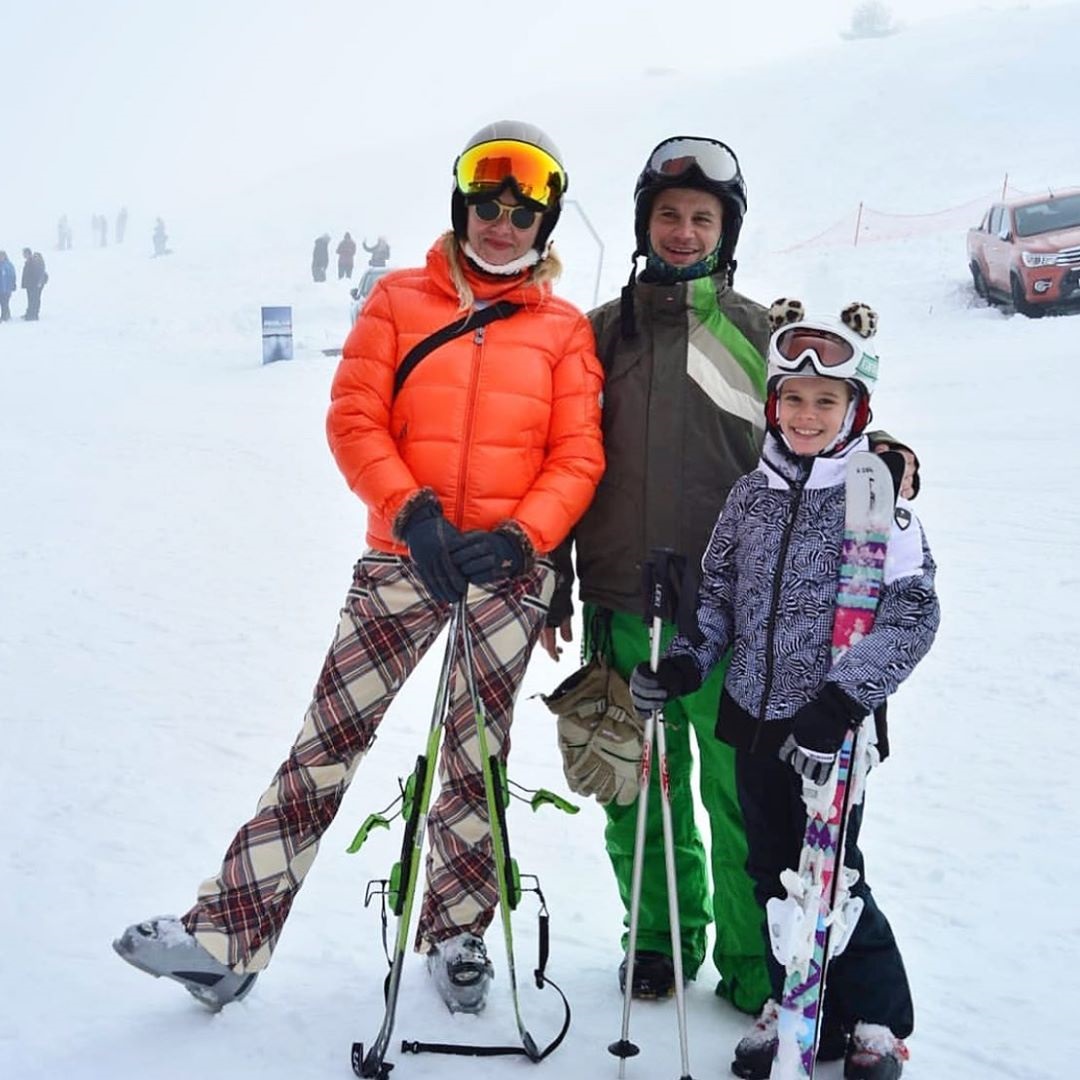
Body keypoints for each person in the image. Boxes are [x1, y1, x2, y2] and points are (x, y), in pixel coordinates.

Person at [113, 119, 605, 1016]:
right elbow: (354, 418)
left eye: (521, 215)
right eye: (487, 208)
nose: (502, 227)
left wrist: (520, 539)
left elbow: (577, 455)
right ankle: (226, 940)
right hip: (404, 557)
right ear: (461, 207)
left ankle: (456, 932)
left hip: (505, 570)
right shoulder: (398, 299)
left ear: (545, 225)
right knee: (326, 742)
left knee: (475, 755)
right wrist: (413, 513)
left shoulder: (564, 330)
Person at [543, 136, 920, 1011]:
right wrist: (556, 575)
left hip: (734, 617)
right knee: (639, 787)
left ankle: (757, 963)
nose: (683, 231)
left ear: (726, 231)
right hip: (621, 599)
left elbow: (830, 427)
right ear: (644, 223)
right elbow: (559, 457)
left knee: (741, 793)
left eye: (701, 218)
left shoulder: (758, 334)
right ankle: (658, 940)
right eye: (668, 215)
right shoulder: (595, 337)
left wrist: (889, 458)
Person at [630, 302, 938, 1080]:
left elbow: (911, 613)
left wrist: (843, 701)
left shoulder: (875, 498)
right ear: (772, 404)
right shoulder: (750, 497)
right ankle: (794, 1001)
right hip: (753, 719)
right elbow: (718, 599)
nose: (806, 415)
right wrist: (686, 664)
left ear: (855, 408)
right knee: (769, 872)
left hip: (831, 729)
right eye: (793, 399)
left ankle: (872, 1017)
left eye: (825, 401)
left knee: (836, 874)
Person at [20, 248, 47, 321]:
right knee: (31, 299)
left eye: (25, 253)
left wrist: (39, 282)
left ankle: (33, 315)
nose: (24, 255)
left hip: (34, 285)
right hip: (30, 284)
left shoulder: (33, 262)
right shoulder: (29, 262)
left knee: (34, 299)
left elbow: (38, 273)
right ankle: (30, 313)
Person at [0, 250, 15, 322]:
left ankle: (4, 316)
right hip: (1, 288)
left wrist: (13, 284)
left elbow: (12, 276)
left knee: (5, 302)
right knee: (2, 302)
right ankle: (7, 314)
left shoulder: (8, 265)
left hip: (7, 288)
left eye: (2, 256)